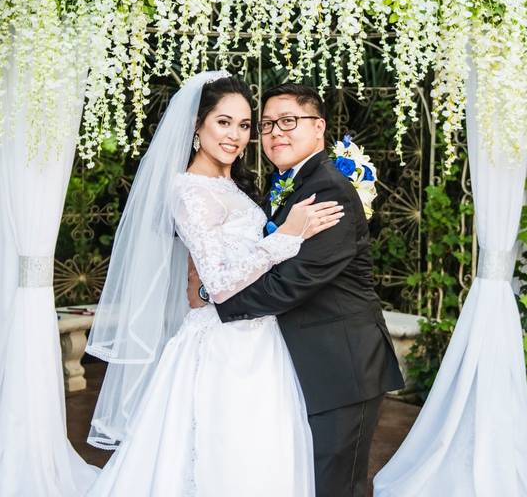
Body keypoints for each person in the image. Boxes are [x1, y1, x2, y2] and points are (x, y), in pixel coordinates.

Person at [85, 72, 343, 496]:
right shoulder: (188, 191)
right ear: (197, 125)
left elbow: (215, 273)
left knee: (261, 454)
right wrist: (287, 235)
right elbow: (220, 283)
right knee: (222, 453)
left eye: (244, 126)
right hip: (222, 344)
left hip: (260, 338)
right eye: (223, 122)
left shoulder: (231, 187)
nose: (236, 136)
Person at [209, 83, 405, 497]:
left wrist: (220, 304)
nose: (275, 132)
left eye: (288, 122)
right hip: (307, 362)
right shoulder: (288, 185)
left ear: (319, 128)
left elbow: (293, 282)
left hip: (342, 365)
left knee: (334, 484)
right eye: (266, 125)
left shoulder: (328, 190)